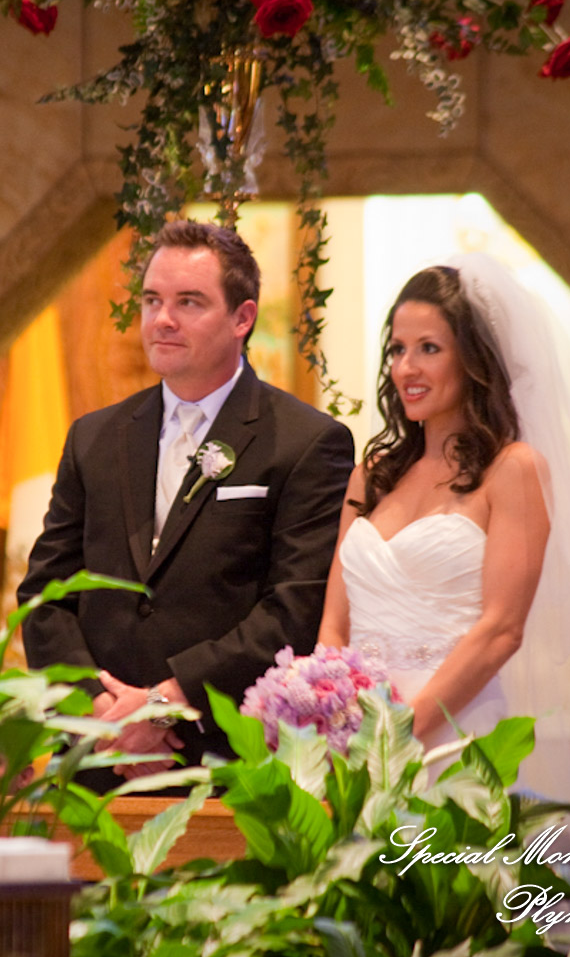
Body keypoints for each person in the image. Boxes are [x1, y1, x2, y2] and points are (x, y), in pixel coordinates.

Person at [19, 220, 355, 790]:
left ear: (242, 318)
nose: (162, 319)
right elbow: (45, 595)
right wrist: (102, 714)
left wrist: (163, 704)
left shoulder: (306, 442)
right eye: (152, 300)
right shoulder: (93, 437)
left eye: (189, 302)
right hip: (95, 759)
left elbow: (292, 612)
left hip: (224, 760)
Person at [317, 255, 570, 811]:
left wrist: (399, 734)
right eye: (397, 349)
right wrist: (331, 720)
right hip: (355, 739)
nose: (406, 368)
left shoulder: (513, 470)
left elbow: (501, 629)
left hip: (452, 730)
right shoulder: (372, 475)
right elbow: (334, 622)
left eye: (429, 348)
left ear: (473, 359)